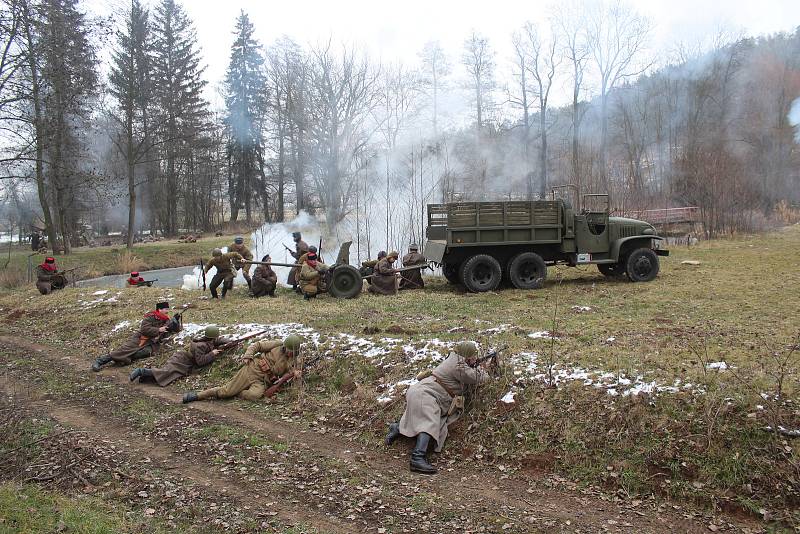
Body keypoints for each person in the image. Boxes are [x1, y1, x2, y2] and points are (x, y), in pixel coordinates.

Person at [385, 341, 489, 474]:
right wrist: (484, 369)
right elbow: (480, 378)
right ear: (468, 355)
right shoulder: (459, 366)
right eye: (473, 355)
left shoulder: (454, 359)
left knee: (426, 419)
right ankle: (417, 457)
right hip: (426, 394)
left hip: (422, 391)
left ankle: (398, 428)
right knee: (429, 422)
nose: (475, 358)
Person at [182, 335, 303, 404]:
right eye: (287, 349)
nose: (289, 351)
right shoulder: (277, 344)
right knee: (225, 392)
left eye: (291, 350)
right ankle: (197, 395)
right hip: (252, 370)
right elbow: (257, 345)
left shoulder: (295, 361)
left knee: (255, 396)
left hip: (263, 381)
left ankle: (238, 391)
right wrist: (248, 355)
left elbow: (286, 378)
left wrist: (294, 375)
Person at [129, 325, 233, 386]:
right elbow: (200, 361)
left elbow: (219, 340)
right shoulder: (200, 346)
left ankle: (145, 376)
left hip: (184, 362)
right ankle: (141, 371)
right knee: (165, 372)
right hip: (180, 360)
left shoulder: (209, 340)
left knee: (169, 375)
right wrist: (212, 354)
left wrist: (230, 341)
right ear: (212, 337)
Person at [92, 301, 180, 371]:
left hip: (151, 343)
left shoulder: (166, 319)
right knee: (123, 350)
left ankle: (123, 359)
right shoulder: (150, 317)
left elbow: (173, 329)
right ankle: (100, 361)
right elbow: (144, 329)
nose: (167, 311)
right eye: (165, 309)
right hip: (140, 339)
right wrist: (158, 330)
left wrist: (175, 320)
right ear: (159, 309)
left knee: (146, 352)